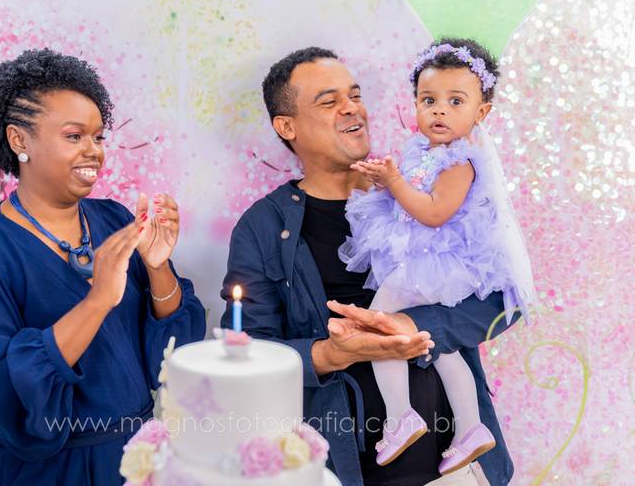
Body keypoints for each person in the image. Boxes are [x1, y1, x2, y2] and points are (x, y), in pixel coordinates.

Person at [221, 46, 516, 485]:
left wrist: (411, 325)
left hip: (456, 468)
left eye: (355, 95)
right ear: (287, 126)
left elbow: (504, 299)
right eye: (329, 101)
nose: (351, 108)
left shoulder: (419, 186)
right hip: (343, 470)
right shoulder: (263, 227)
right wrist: (331, 353)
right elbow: (249, 351)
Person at [0, 49, 206, 485]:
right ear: (19, 141)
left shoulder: (114, 220)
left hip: (136, 458)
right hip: (47, 471)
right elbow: (3, 394)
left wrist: (158, 267)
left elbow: (175, 354)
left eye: (98, 137)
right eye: (74, 136)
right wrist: (98, 300)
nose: (93, 151)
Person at [339, 38, 536, 474]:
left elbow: (433, 213)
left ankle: (400, 416)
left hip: (436, 265)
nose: (439, 111)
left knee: (380, 326)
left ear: (481, 112)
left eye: (455, 101)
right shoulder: (423, 153)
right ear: (415, 103)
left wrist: (395, 182)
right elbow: (409, 201)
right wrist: (385, 181)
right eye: (429, 100)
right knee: (438, 347)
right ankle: (471, 428)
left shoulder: (460, 162)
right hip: (424, 262)